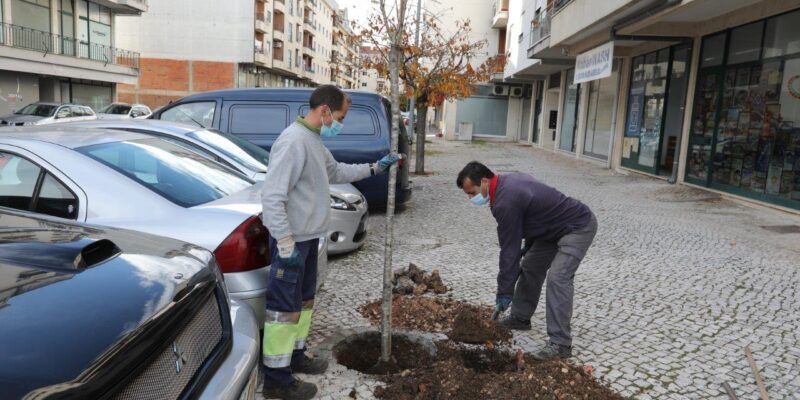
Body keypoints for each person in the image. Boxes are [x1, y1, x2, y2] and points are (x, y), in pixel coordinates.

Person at [260, 85, 400, 400]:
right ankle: (276, 381)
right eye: (340, 116)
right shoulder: (293, 142)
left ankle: (296, 356)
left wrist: (376, 167)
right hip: (292, 242)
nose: (341, 122)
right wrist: (284, 243)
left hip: (310, 239)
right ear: (324, 110)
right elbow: (272, 196)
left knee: (303, 303)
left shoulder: (313, 140)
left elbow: (336, 171)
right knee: (283, 310)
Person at [456, 161, 597, 361]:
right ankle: (520, 318)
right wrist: (529, 244)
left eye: (472, 192)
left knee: (558, 278)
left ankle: (560, 343)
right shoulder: (505, 182)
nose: (471, 198)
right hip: (551, 229)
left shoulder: (505, 201)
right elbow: (535, 211)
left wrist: (504, 292)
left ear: (485, 181)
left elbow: (509, 250)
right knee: (531, 265)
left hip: (577, 227)